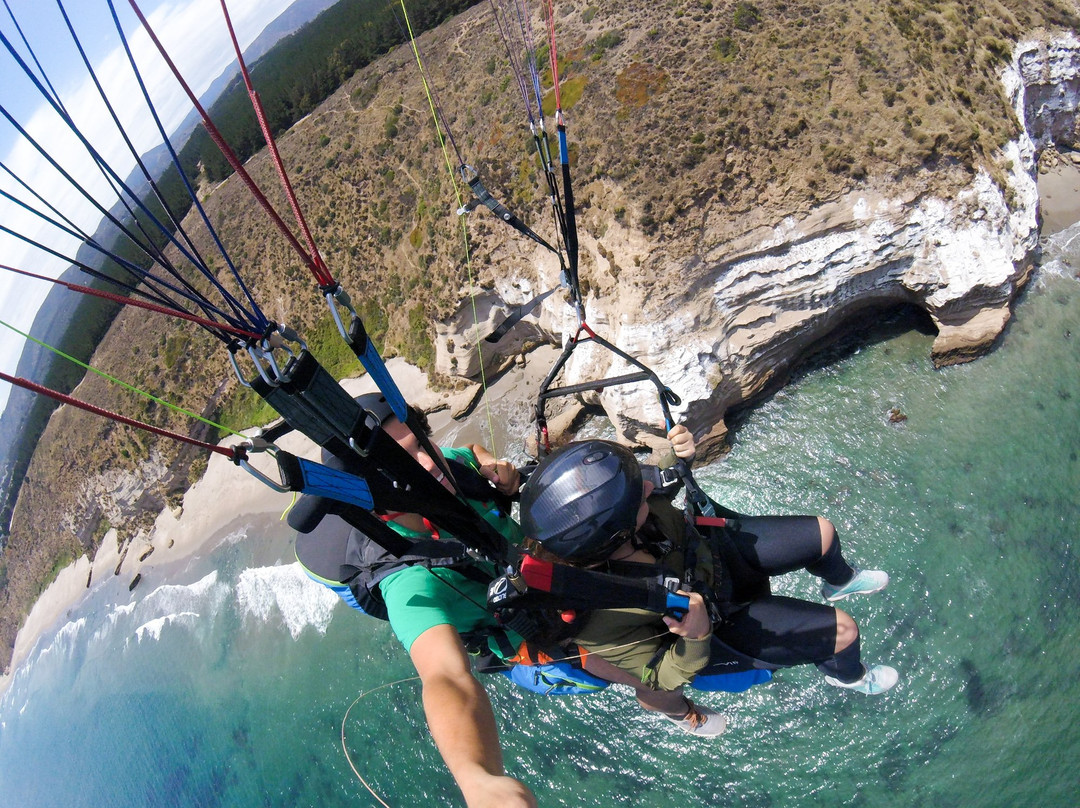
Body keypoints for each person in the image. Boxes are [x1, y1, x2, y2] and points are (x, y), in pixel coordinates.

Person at [519, 427, 898, 737]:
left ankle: (838, 581)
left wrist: (676, 453)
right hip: (716, 623)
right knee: (844, 632)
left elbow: (653, 480)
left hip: (709, 553)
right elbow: (658, 677)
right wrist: (696, 635)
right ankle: (849, 676)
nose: (648, 488)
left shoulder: (606, 517)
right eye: (639, 498)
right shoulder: (595, 613)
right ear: (617, 535)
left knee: (823, 534)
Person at [293, 393, 536, 808]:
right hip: (523, 637)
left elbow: (471, 452)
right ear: (369, 495)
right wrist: (477, 778)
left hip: (536, 573)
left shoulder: (447, 467)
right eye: (398, 469)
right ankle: (684, 712)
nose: (424, 463)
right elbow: (445, 675)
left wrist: (499, 469)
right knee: (629, 667)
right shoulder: (406, 583)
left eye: (422, 443)